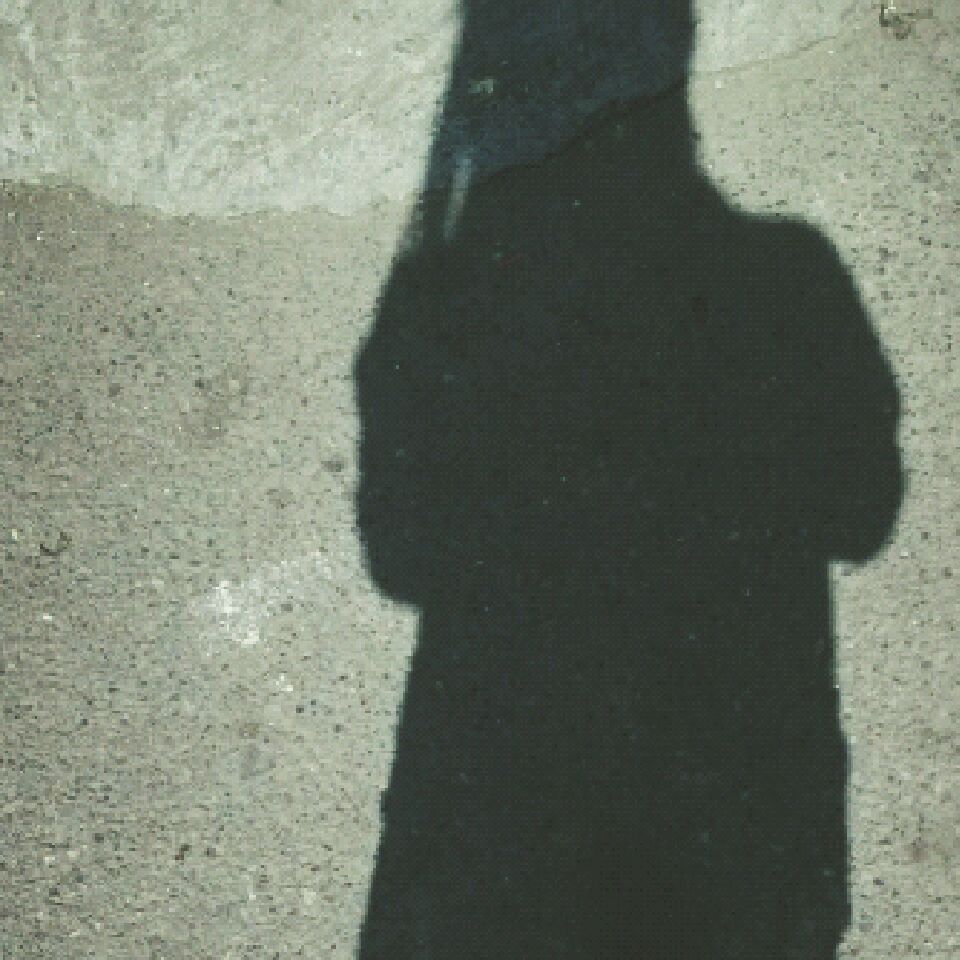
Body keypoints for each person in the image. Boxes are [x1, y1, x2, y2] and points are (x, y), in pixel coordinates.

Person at [354, 2, 903, 956]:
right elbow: (864, 514)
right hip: (735, 829)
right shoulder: (790, 275)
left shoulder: (444, 296)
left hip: (506, 843)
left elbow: (401, 561)